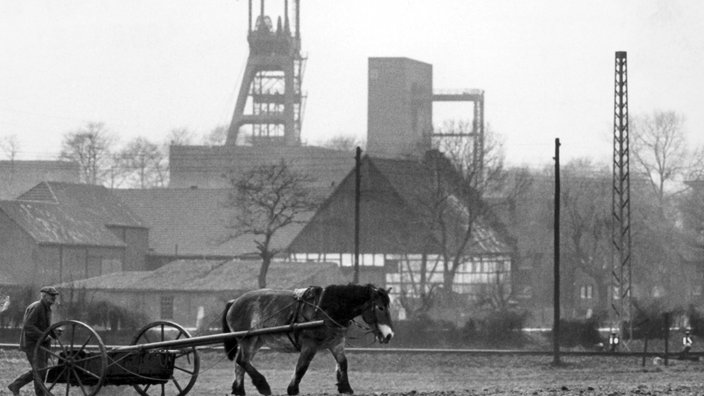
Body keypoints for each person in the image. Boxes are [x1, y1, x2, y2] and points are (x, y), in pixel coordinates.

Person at [7, 286, 62, 396]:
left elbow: (43, 327)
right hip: (32, 344)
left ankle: (16, 385)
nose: (54, 298)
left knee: (41, 370)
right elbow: (28, 326)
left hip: (41, 344)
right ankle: (20, 387)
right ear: (44, 295)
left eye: (55, 296)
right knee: (40, 370)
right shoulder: (37, 307)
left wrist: (53, 332)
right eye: (52, 296)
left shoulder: (46, 308)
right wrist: (43, 336)